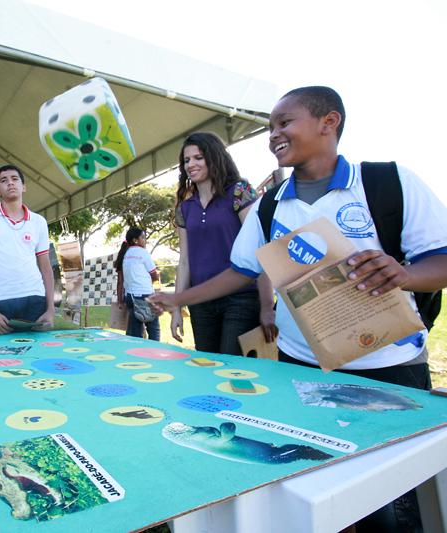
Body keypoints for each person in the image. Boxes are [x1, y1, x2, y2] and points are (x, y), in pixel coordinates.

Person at [150, 86, 447, 531]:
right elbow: (240, 271)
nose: (273, 134)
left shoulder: (387, 183)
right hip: (302, 369)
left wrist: (404, 274)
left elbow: (440, 261)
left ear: (329, 122)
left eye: (284, 122)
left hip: (389, 368)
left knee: (395, 497)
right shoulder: (271, 204)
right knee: (319, 483)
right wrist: (178, 299)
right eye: (270, 127)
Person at [172, 132, 277, 354]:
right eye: (186, 160)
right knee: (207, 366)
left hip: (240, 298)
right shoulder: (185, 208)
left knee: (231, 366)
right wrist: (176, 307)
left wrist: (267, 306)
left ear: (215, 157)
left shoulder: (239, 192)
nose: (191, 164)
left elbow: (260, 248)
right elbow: (184, 262)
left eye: (198, 157)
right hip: (200, 302)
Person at [0, 164, 54, 335]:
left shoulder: (39, 222)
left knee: (36, 351)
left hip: (35, 300)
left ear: (24, 187)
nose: (10, 183)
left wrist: (51, 309)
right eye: (3, 180)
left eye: (15, 179)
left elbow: (46, 267)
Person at [114, 227, 160, 340]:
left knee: (135, 332)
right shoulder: (143, 253)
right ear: (135, 240)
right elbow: (154, 275)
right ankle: (155, 349)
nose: (145, 240)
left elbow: (121, 281)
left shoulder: (126, 254)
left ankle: (135, 349)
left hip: (130, 296)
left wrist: (120, 299)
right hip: (145, 295)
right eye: (143, 237)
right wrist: (153, 279)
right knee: (153, 328)